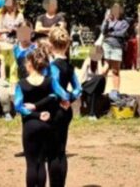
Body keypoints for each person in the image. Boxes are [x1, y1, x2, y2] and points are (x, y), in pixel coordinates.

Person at [14, 48, 57, 187]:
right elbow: (54, 96)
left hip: (30, 126)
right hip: (46, 124)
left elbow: (18, 106)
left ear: (29, 64)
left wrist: (35, 112)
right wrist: (40, 108)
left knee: (31, 164)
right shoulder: (50, 81)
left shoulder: (21, 84)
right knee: (41, 162)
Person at [48, 26, 81, 187]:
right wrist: (70, 98)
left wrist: (64, 98)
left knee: (53, 153)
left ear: (50, 44)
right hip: (67, 111)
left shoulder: (53, 65)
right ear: (67, 45)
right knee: (62, 151)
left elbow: (54, 85)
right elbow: (78, 88)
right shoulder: (70, 66)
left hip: (55, 109)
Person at [100, 3, 129, 100]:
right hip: (106, 44)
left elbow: (121, 33)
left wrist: (110, 33)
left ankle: (115, 91)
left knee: (115, 70)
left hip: (117, 46)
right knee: (105, 67)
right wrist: (106, 20)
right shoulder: (108, 20)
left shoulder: (124, 22)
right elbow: (103, 31)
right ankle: (99, 88)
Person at [79, 49, 108, 120]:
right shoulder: (88, 60)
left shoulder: (106, 64)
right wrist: (80, 87)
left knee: (99, 77)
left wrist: (99, 61)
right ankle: (92, 114)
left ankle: (87, 89)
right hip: (88, 85)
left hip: (99, 86)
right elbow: (82, 76)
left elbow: (101, 73)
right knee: (92, 92)